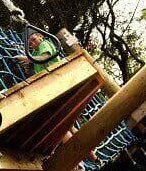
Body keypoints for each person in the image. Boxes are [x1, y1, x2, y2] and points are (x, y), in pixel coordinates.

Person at [14, 33, 97, 165]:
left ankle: (78, 155)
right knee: (67, 122)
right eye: (30, 42)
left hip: (56, 84)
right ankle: (92, 155)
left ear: (41, 37)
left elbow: (45, 57)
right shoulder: (35, 53)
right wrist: (27, 66)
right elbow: (36, 71)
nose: (33, 43)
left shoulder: (44, 44)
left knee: (58, 122)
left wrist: (28, 58)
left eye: (34, 39)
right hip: (55, 86)